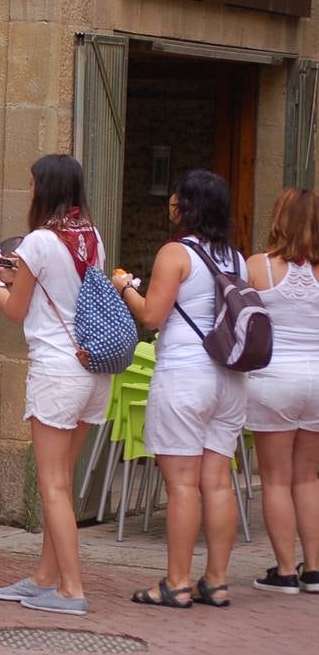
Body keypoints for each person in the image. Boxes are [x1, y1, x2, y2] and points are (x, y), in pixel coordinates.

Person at [0, 154, 107, 616]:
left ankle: (71, 589)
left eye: (33, 183)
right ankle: (45, 577)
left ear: (46, 188)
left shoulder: (38, 241)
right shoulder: (91, 236)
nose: (29, 190)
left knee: (51, 485)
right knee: (62, 483)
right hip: (93, 369)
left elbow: (15, 310)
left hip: (57, 369)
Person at [114, 170, 248, 608]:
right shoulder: (236, 258)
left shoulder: (176, 253)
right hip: (229, 379)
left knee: (183, 487)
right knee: (218, 483)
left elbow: (153, 316)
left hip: (186, 375)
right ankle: (217, 580)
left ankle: (177, 582)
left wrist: (125, 288)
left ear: (184, 206)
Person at [243, 188, 319, 595]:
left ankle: (286, 570)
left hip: (274, 380)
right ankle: (315, 570)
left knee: (275, 479)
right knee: (308, 478)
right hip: (318, 380)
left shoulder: (260, 266)